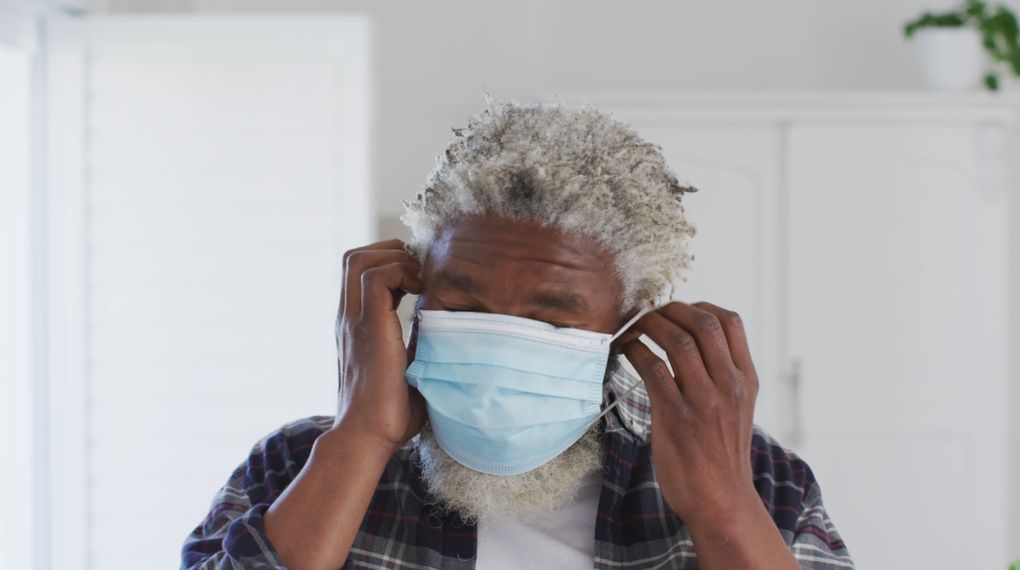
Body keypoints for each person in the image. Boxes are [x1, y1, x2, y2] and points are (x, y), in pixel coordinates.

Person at [181, 97, 853, 569]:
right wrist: (359, 439)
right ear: (414, 294)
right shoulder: (297, 466)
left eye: (549, 318)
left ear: (623, 328)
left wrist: (722, 510)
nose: (499, 339)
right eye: (465, 307)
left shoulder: (756, 478)